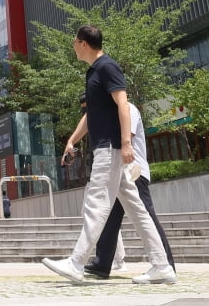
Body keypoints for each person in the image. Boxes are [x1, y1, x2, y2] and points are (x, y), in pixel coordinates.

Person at [41, 25, 175, 285]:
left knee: (96, 203)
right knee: (137, 210)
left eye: (74, 41)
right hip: (108, 147)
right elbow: (91, 116)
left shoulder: (106, 67)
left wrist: (126, 143)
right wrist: (71, 140)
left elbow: (123, 103)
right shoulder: (93, 72)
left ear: (83, 44)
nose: (72, 44)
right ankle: (162, 266)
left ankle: (76, 262)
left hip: (110, 148)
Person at [72, 99, 174, 280]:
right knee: (109, 218)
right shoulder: (109, 113)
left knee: (146, 216)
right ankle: (102, 264)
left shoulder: (128, 109)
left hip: (134, 171)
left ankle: (166, 263)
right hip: (118, 170)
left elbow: (127, 138)